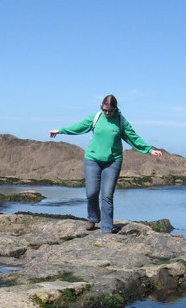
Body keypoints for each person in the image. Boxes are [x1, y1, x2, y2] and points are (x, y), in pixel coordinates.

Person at [50, 95, 162, 234]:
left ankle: (107, 229)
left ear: (115, 108)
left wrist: (149, 150)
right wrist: (61, 130)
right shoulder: (96, 117)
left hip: (113, 161)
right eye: (105, 110)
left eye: (110, 110)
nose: (107, 113)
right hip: (92, 160)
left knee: (107, 195)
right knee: (91, 193)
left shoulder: (121, 121)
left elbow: (133, 137)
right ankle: (93, 218)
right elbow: (79, 127)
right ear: (101, 107)